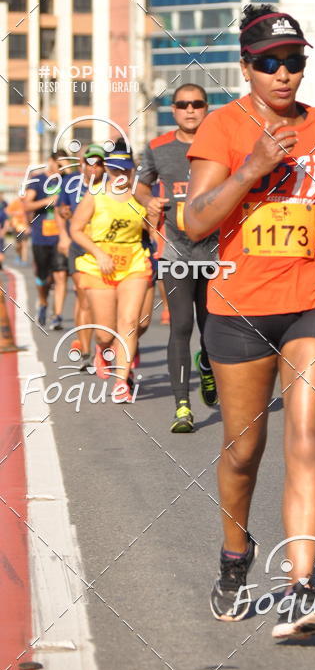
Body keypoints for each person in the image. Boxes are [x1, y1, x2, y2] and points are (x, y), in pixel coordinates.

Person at [184, 3, 315, 638]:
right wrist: (251, 169)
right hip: (240, 308)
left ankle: (301, 586)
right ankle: (236, 555)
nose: (284, 73)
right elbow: (195, 222)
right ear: (246, 67)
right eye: (270, 63)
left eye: (294, 62)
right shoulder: (222, 127)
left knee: (305, 439)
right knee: (243, 453)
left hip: (314, 295)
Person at [136, 84, 219, 433]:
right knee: (182, 326)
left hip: (216, 252)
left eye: (197, 104)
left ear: (206, 108)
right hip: (176, 252)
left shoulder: (221, 145)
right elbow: (141, 186)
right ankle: (182, 406)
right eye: (183, 105)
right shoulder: (158, 148)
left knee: (213, 329)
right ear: (173, 110)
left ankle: (209, 367)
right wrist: (148, 201)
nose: (190, 110)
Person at [70, 141, 159, 402]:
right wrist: (99, 253)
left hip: (133, 263)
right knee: (106, 333)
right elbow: (75, 229)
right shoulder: (95, 195)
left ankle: (122, 382)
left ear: (133, 171)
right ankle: (102, 348)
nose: (121, 175)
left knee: (130, 323)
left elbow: (151, 229)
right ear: (108, 169)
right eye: (116, 170)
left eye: (126, 170)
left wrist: (156, 226)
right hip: (100, 266)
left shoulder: (140, 196)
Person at [56, 144, 106, 369]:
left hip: (106, 248)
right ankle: (86, 352)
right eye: (89, 163)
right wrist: (63, 237)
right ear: (83, 165)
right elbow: (61, 209)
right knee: (83, 297)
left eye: (99, 163)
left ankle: (102, 344)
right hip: (78, 246)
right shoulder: (70, 183)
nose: (94, 167)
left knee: (102, 300)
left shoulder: (111, 185)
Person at [23, 151, 71, 328]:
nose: (61, 169)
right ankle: (43, 302)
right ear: (50, 161)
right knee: (43, 278)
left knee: (61, 275)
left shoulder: (68, 181)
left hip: (61, 237)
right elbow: (26, 205)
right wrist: (47, 202)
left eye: (64, 166)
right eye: (59, 165)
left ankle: (57, 315)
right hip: (41, 236)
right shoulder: (37, 180)